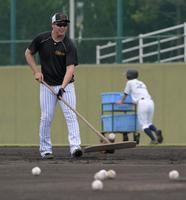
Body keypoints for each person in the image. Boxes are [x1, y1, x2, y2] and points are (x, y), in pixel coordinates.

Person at [25, 12, 82, 159]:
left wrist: (62, 88)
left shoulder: (68, 44)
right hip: (47, 85)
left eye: (65, 25)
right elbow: (28, 53)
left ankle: (75, 148)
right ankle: (45, 150)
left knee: (71, 116)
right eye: (59, 24)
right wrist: (36, 72)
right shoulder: (42, 39)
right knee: (46, 117)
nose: (63, 27)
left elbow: (70, 69)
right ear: (53, 25)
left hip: (66, 85)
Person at [117, 69, 163, 144]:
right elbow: (139, 93)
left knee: (144, 125)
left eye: (126, 75)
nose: (126, 76)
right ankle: (156, 131)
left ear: (129, 75)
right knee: (149, 123)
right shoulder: (141, 83)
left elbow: (126, 93)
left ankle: (153, 139)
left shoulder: (129, 82)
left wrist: (121, 101)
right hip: (150, 101)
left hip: (142, 103)